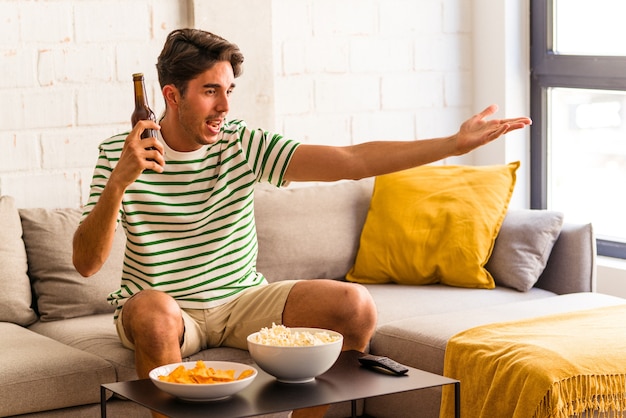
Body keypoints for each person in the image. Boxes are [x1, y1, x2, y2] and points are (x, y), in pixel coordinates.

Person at [73, 28, 531, 418]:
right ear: (173, 96)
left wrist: (452, 144)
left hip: (240, 299)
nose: (224, 107)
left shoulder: (242, 144)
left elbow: (351, 160)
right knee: (154, 315)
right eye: (211, 91)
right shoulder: (121, 154)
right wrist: (119, 183)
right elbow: (88, 265)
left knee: (354, 304)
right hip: (164, 308)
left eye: (229, 91)